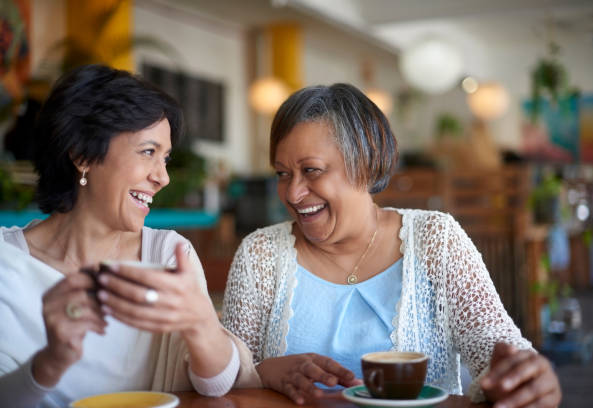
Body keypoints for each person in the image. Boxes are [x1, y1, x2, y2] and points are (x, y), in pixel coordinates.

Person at [222, 83, 562, 407]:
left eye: (311, 170)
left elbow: (491, 343)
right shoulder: (260, 254)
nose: (293, 193)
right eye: (282, 174)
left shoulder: (435, 239)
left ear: (367, 164)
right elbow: (224, 376)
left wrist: (523, 377)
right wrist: (262, 372)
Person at [0, 64, 258, 408]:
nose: (163, 178)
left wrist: (200, 323)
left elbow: (218, 386)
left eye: (165, 158)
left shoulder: (168, 254)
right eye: (148, 152)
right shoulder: (6, 264)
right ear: (82, 155)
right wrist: (51, 361)